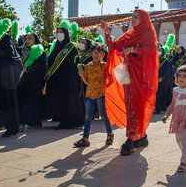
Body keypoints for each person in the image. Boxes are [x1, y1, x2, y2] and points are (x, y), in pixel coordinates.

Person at [101, 9, 158, 155]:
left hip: (142, 78)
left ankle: (130, 140)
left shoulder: (149, 33)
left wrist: (133, 49)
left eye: (136, 17)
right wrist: (107, 31)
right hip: (129, 77)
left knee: (138, 106)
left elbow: (151, 52)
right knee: (131, 105)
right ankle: (140, 136)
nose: (133, 19)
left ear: (144, 19)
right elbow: (114, 46)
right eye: (132, 16)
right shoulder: (129, 34)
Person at [43, 22, 85, 129]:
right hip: (57, 79)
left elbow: (74, 63)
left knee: (68, 100)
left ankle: (68, 121)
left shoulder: (71, 47)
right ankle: (61, 119)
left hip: (68, 79)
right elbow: (51, 60)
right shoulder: (56, 46)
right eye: (57, 32)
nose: (59, 34)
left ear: (66, 34)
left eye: (61, 32)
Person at [74, 43, 114, 147]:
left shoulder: (105, 66)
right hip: (89, 95)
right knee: (87, 118)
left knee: (104, 116)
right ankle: (85, 138)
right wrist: (82, 76)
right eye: (94, 52)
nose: (96, 55)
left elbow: (110, 79)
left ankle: (110, 133)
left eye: (98, 53)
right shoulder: (88, 67)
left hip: (101, 95)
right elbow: (87, 82)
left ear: (103, 55)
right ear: (91, 54)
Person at [17, 32, 47, 129]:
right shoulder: (23, 51)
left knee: (34, 101)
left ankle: (34, 121)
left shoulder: (40, 52)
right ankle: (22, 121)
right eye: (26, 39)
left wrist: (29, 69)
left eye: (29, 39)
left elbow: (41, 67)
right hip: (23, 80)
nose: (27, 41)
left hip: (35, 81)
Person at [155, 43, 174, 114]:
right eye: (158, 51)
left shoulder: (165, 60)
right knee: (156, 94)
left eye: (160, 51)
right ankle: (157, 108)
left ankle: (162, 108)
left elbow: (167, 71)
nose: (158, 52)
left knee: (162, 94)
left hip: (163, 80)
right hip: (155, 79)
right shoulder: (155, 60)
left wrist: (162, 78)